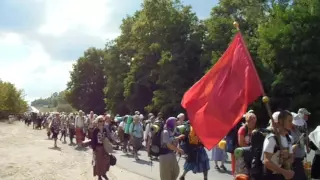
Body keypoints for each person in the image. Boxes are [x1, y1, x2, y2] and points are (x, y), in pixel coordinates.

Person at [262, 110, 295, 180]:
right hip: (271, 176)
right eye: (289, 121)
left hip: (282, 175)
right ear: (281, 121)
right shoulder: (272, 139)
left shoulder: (288, 138)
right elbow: (266, 161)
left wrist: (287, 157)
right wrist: (284, 172)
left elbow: (292, 157)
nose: (291, 124)